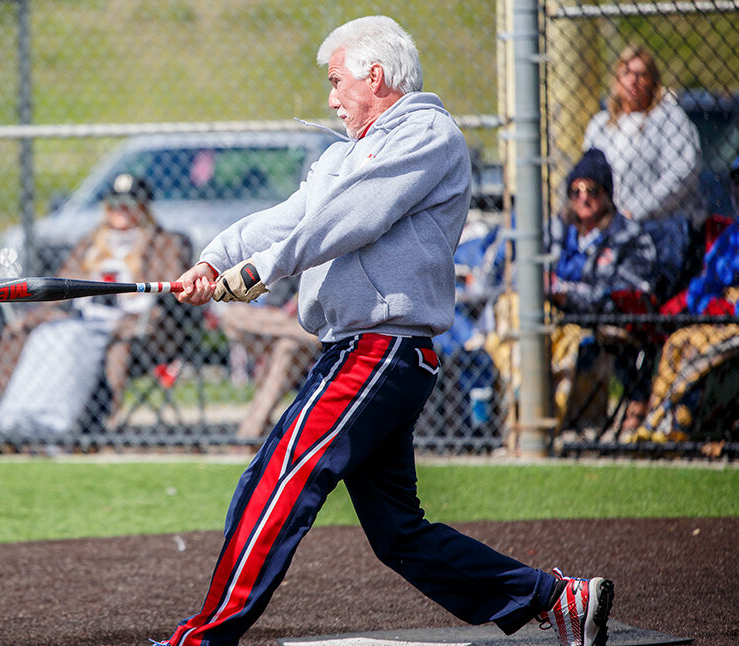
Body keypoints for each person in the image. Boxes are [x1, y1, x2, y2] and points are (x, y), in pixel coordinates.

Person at [162, 16, 613, 646]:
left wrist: (262, 270)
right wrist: (216, 257)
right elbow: (291, 218)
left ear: (375, 75)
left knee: (276, 480)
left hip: (381, 348)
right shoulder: (344, 154)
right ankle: (557, 600)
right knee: (400, 535)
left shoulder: (428, 133)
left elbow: (355, 216)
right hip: (352, 352)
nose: (330, 97)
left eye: (336, 80)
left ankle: (204, 636)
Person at [0, 173, 187, 433]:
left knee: (73, 340)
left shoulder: (164, 242)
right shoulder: (92, 242)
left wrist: (133, 308)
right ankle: (7, 414)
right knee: (39, 334)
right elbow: (64, 282)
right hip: (82, 317)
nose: (121, 211)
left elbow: (166, 289)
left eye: (130, 204)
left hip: (125, 325)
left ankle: (54, 423)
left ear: (144, 208)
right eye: (115, 204)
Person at [546, 148, 658, 433]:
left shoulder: (628, 235)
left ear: (606, 193)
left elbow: (623, 293)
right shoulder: (561, 229)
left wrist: (569, 294)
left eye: (591, 190)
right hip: (557, 315)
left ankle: (556, 424)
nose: (583, 197)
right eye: (575, 191)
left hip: (608, 321)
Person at [582, 45, 703, 301]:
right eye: (626, 73)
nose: (633, 81)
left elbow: (683, 171)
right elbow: (587, 174)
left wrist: (635, 211)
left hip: (660, 230)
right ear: (616, 80)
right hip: (610, 231)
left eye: (641, 74)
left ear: (654, 81)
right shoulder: (601, 125)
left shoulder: (669, 118)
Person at [635, 155, 739, 445]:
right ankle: (658, 422)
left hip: (734, 321)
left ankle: (677, 424)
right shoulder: (731, 236)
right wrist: (712, 304)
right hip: (724, 319)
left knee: (700, 346)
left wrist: (733, 306)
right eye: (737, 183)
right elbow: (703, 287)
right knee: (679, 340)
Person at [216, 278, 319, 440]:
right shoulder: (288, 262)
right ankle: (303, 333)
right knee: (233, 316)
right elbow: (275, 304)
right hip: (286, 327)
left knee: (288, 347)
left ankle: (250, 432)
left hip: (311, 329)